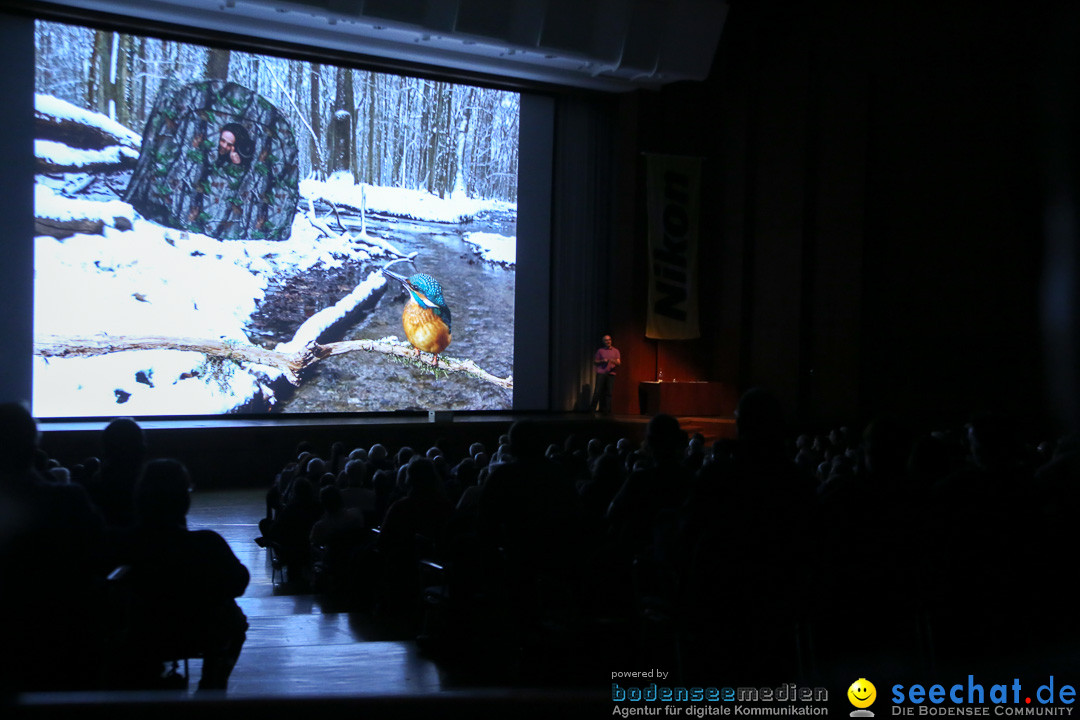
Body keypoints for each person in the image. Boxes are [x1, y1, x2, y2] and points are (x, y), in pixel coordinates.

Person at [589, 334, 621, 414]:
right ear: (603, 342)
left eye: (609, 340)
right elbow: (595, 362)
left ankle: (606, 411)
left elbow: (619, 363)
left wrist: (612, 361)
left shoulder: (616, 351)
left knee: (609, 393)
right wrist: (602, 361)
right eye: (606, 340)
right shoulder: (600, 351)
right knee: (597, 391)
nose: (608, 341)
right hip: (601, 373)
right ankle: (592, 410)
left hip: (611, 374)